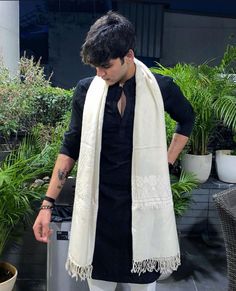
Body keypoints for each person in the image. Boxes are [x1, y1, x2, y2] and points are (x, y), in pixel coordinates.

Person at [33, 11, 195, 291]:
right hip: (100, 213)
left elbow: (187, 118)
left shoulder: (160, 88)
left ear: (128, 55)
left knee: (143, 287)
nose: (99, 73)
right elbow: (70, 146)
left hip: (142, 212)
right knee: (100, 287)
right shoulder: (87, 91)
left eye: (105, 66)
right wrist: (47, 204)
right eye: (95, 66)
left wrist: (166, 162)